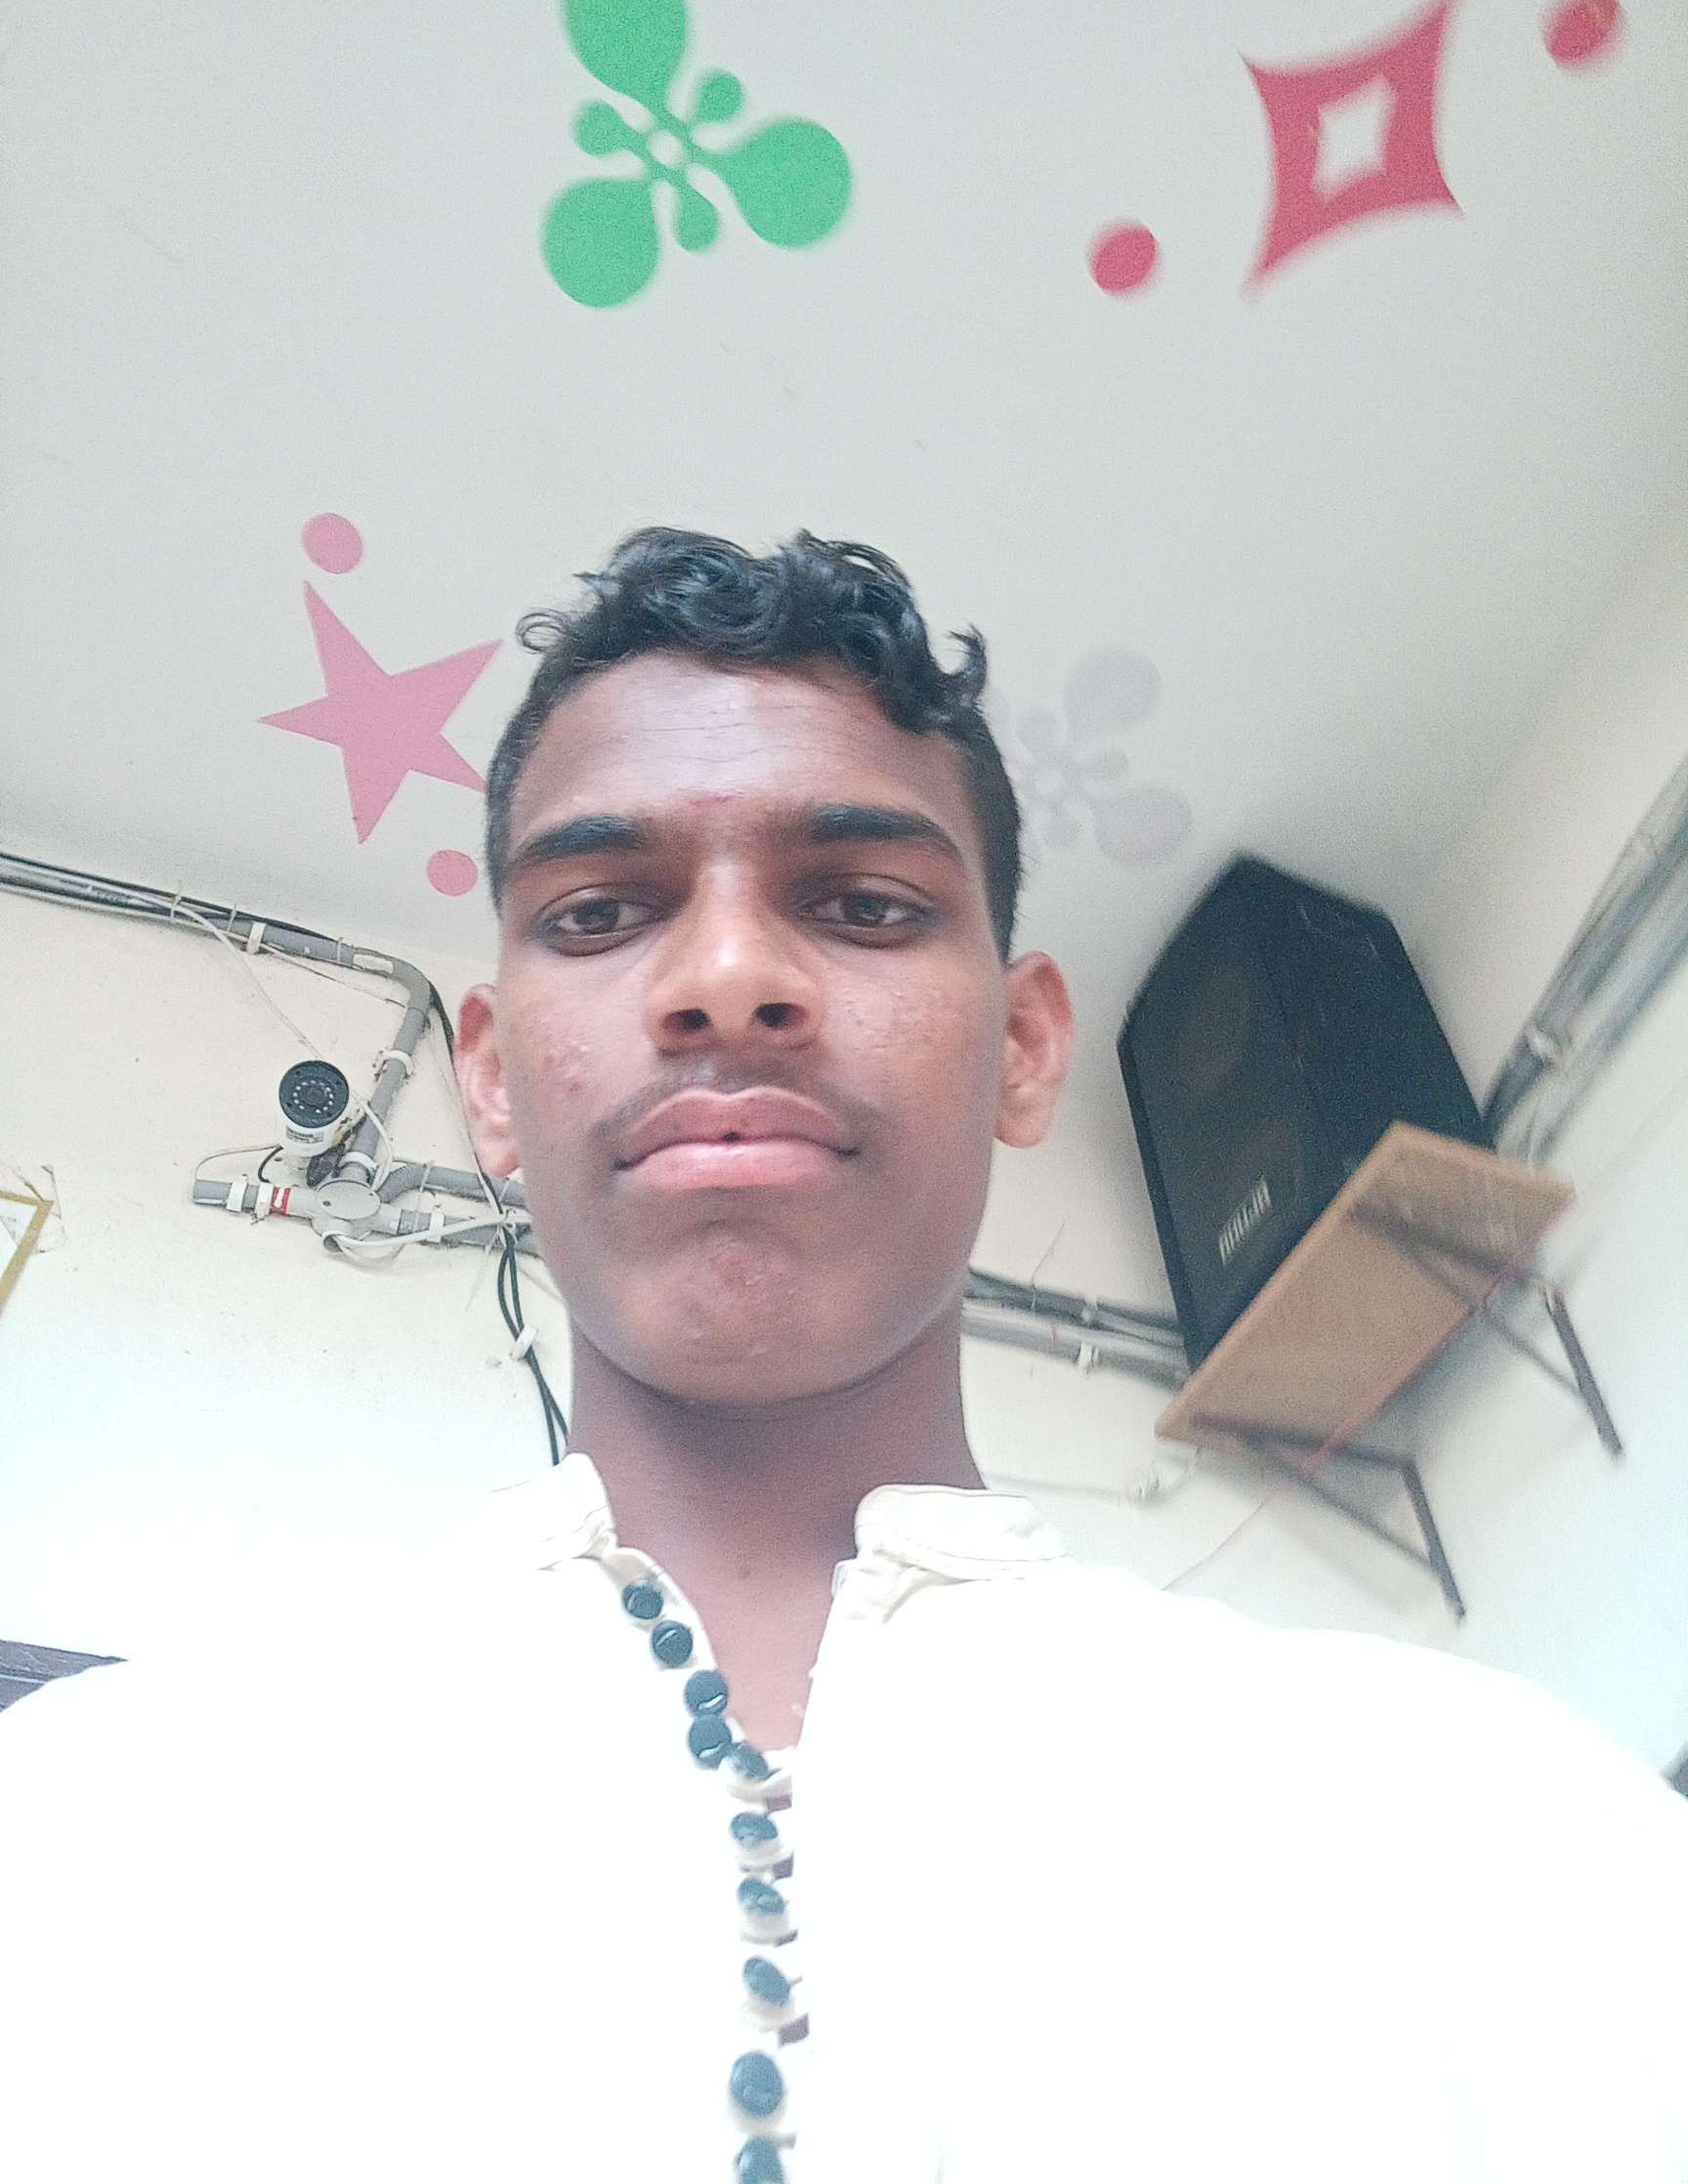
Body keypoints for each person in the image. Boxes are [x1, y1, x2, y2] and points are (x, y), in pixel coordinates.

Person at [2, 529, 1685, 2183]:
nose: (729, 979)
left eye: (866, 906)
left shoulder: (1512, 1843)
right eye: (601, 912)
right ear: (492, 1082)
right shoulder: (89, 1836)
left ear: (1023, 1047)